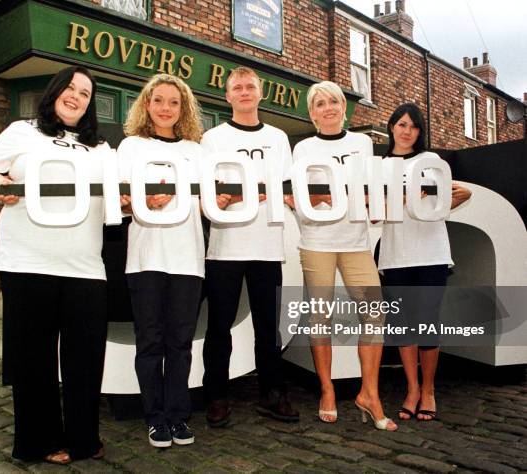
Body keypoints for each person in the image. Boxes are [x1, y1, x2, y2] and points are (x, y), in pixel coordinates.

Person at [0, 66, 110, 463]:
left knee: (85, 360)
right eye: (70, 88)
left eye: (85, 93)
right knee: (32, 358)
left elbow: (117, 197)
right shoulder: (23, 131)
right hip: (26, 259)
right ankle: (39, 442)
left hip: (85, 265)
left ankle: (84, 439)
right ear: (55, 91)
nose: (76, 96)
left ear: (90, 105)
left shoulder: (102, 148)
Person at [289, 81, 397, 430]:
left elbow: (369, 191)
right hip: (317, 242)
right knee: (320, 320)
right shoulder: (303, 148)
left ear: (343, 108)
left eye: (333, 101)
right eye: (320, 103)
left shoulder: (362, 143)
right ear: (312, 113)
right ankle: (327, 390)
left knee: (375, 315)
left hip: (355, 243)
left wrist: (372, 205)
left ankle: (369, 394)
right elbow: (296, 197)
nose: (328, 108)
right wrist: (314, 200)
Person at [201, 66, 299, 427]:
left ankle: (273, 394)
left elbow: (287, 188)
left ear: (261, 94)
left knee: (267, 326)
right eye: (237, 87)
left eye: (250, 87)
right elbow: (208, 192)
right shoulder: (212, 139)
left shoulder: (278, 138)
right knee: (219, 326)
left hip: (267, 245)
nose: (244, 92)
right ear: (227, 96)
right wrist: (225, 198)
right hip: (226, 247)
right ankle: (217, 395)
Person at [117, 73, 204, 448]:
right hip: (145, 258)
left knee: (180, 342)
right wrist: (139, 202)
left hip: (187, 259)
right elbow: (118, 198)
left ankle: (178, 416)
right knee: (149, 341)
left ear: (183, 108)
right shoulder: (131, 147)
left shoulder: (196, 151)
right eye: (159, 100)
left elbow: (209, 202)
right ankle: (155, 419)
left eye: (174, 102)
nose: (166, 108)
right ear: (147, 105)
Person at [378, 103, 472, 422]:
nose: (407, 131)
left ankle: (429, 390)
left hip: (431, 254)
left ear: (420, 132)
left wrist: (437, 209)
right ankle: (412, 389)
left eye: (414, 126)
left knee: (427, 321)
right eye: (402, 124)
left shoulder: (430, 161)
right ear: (392, 126)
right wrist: (405, 199)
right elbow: (376, 211)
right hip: (395, 256)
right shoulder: (379, 166)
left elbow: (462, 193)